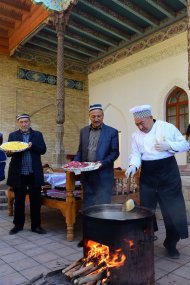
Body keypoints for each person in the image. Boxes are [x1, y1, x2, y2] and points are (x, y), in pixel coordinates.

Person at [125, 104, 189, 259]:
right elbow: (136, 154)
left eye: (142, 123)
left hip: (168, 172)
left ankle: (171, 244)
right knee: (146, 210)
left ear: (150, 117)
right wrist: (133, 165)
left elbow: (185, 144)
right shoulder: (136, 135)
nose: (140, 127)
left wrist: (170, 146)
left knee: (172, 210)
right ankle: (146, 241)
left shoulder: (166, 127)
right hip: (148, 173)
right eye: (137, 124)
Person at [6, 114, 47, 235]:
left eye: (26, 122)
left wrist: (32, 146)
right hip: (19, 173)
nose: (24, 124)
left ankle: (36, 226)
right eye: (21, 122)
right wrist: (9, 152)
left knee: (36, 201)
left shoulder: (37, 135)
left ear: (30, 122)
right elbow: (9, 153)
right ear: (19, 123)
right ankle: (17, 225)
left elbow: (43, 150)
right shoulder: (13, 135)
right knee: (19, 201)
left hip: (34, 173)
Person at [74, 103, 120, 210]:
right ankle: (90, 226)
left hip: (103, 174)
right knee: (88, 205)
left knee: (103, 206)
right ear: (89, 116)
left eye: (99, 116)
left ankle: (103, 227)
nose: (96, 119)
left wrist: (102, 163)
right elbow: (80, 151)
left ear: (103, 116)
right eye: (93, 116)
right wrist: (75, 162)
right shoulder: (83, 131)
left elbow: (114, 152)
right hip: (87, 174)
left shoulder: (112, 132)